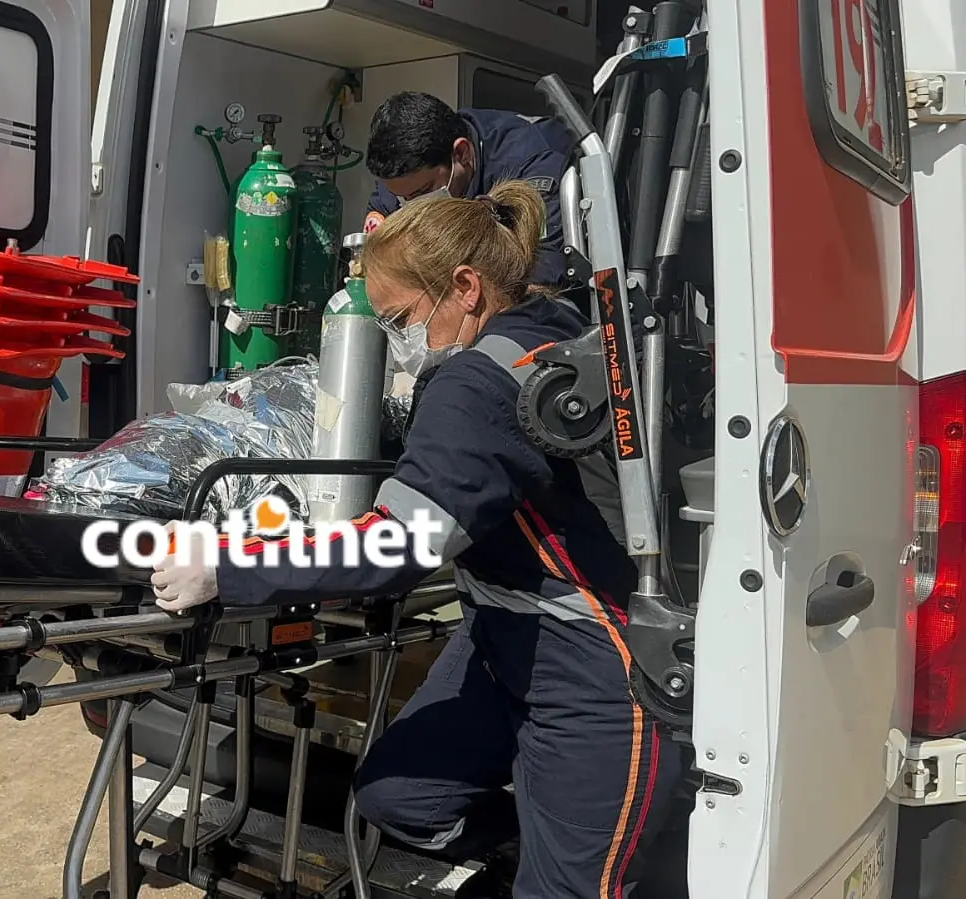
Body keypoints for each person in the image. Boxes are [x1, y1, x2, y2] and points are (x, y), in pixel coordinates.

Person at [149, 180, 684, 897]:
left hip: (589, 667)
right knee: (398, 797)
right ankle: (537, 847)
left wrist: (227, 566)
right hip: (502, 637)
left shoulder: (478, 382)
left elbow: (397, 545)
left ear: (464, 287)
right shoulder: (545, 326)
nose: (399, 341)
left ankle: (564, 859)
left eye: (400, 318)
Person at [363, 91, 574, 288]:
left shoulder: (531, 163)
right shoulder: (400, 178)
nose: (411, 206)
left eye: (423, 191)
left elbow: (543, 274)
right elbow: (374, 261)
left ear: (461, 153)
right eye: (402, 198)